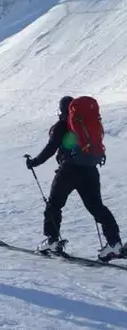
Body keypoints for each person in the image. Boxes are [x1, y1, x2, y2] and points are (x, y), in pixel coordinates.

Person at [26, 96, 124, 260]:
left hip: (68, 171)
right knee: (97, 207)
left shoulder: (62, 126)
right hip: (90, 170)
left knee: (54, 205)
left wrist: (34, 162)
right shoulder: (84, 125)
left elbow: (51, 148)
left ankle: (52, 241)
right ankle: (114, 244)